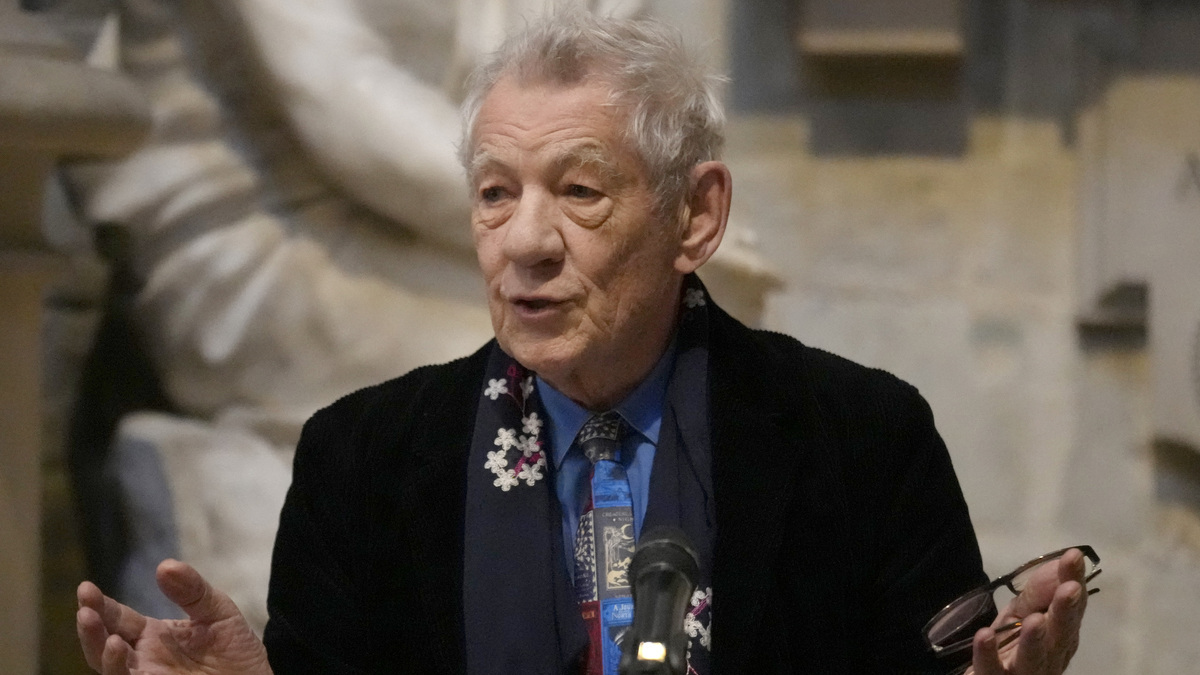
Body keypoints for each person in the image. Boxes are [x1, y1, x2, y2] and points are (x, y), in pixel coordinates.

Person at [76, 11, 1090, 675]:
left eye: (579, 192)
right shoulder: (363, 460)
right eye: (493, 195)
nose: (525, 245)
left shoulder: (861, 440)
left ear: (696, 217)